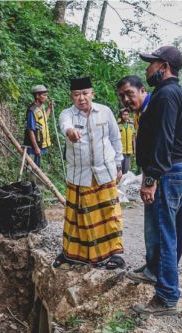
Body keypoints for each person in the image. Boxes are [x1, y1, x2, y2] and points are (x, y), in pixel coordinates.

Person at [125, 45, 182, 316]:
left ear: (163, 66)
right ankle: (154, 271)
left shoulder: (165, 95)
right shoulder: (178, 94)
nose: (147, 69)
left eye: (151, 64)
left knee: (166, 233)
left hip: (167, 172)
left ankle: (166, 297)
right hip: (177, 170)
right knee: (167, 228)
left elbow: (164, 140)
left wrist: (151, 177)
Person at [54, 77, 125, 269]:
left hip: (105, 173)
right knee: (77, 217)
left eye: (85, 93)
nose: (81, 98)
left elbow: (115, 138)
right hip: (80, 175)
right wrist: (70, 132)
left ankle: (116, 254)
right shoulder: (67, 114)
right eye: (77, 95)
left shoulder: (105, 112)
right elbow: (65, 125)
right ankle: (71, 254)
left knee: (110, 215)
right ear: (72, 96)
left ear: (92, 93)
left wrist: (119, 165)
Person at [24, 85, 54, 167]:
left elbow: (43, 120)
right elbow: (30, 130)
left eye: (46, 95)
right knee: (31, 168)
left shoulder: (41, 107)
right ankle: (29, 180)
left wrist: (50, 108)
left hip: (40, 144)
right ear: (37, 96)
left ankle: (35, 180)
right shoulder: (32, 110)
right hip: (33, 146)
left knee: (37, 168)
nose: (46, 97)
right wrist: (36, 147)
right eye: (44, 95)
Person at [118, 108, 136, 174]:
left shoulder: (131, 124)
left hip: (128, 151)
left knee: (127, 171)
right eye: (124, 115)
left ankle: (124, 184)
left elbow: (133, 138)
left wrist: (134, 150)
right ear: (121, 115)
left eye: (127, 114)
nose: (125, 116)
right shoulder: (118, 124)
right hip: (120, 152)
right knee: (119, 170)